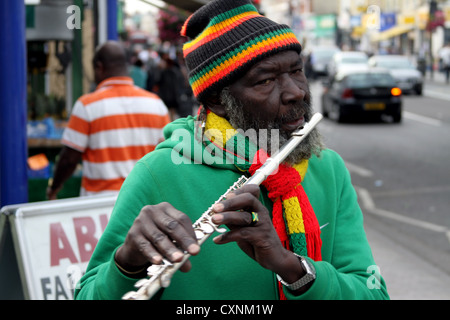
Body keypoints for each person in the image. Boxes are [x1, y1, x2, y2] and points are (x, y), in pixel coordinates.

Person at [75, 0, 389, 300]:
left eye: (296, 70)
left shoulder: (327, 168)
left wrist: (292, 268)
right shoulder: (158, 175)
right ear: (217, 101)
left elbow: (374, 292)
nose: (296, 92)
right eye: (266, 80)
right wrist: (126, 264)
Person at [47, 41, 170, 199]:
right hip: (143, 201)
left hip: (99, 205)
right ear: (126, 67)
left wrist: (54, 187)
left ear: (99, 67)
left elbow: (69, 159)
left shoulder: (87, 106)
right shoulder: (156, 104)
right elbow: (165, 157)